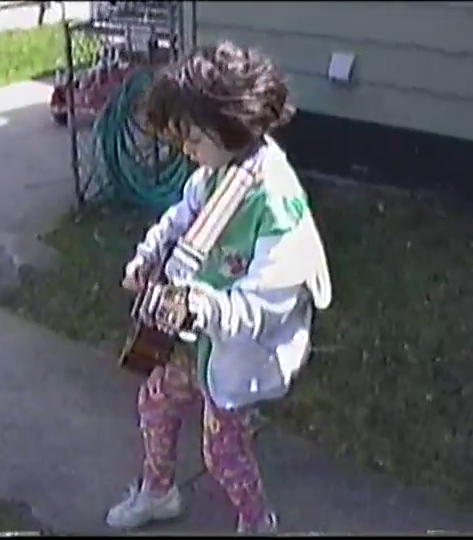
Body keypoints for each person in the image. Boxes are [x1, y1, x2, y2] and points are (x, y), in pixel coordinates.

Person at [105, 40, 333, 533]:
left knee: (222, 451)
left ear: (231, 123)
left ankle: (258, 523)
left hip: (238, 349)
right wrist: (149, 255)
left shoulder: (278, 206)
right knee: (156, 402)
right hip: (197, 339)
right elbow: (181, 215)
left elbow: (263, 305)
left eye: (191, 138)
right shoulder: (217, 169)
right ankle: (159, 491)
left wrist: (200, 308)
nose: (185, 150)